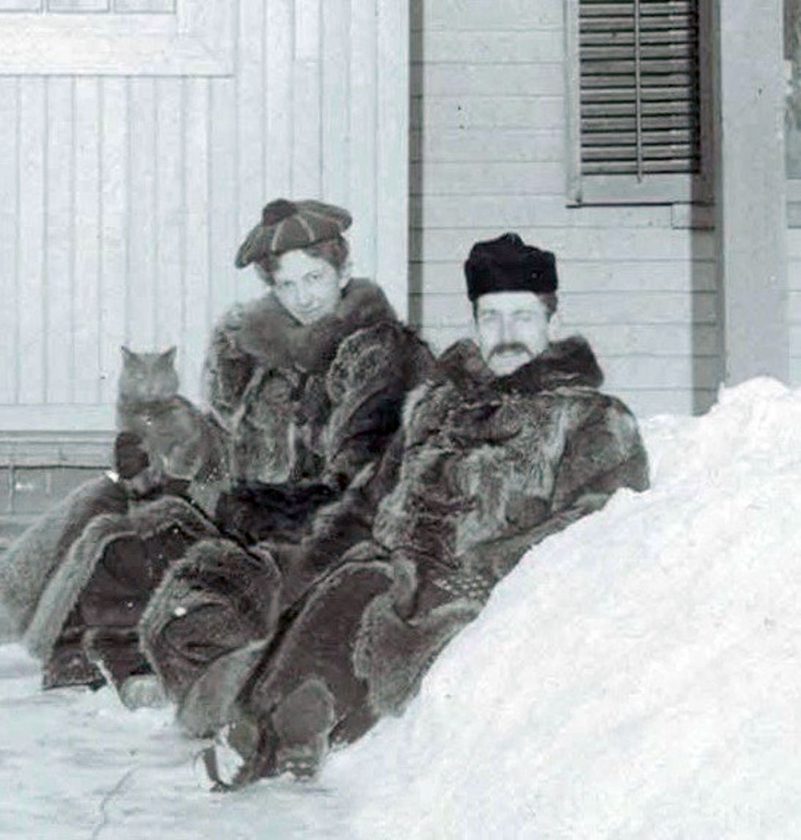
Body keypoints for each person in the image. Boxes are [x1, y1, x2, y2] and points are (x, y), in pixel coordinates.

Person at [140, 232, 650, 788]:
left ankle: (276, 731)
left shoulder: (593, 418)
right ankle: (282, 723)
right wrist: (309, 565)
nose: (506, 334)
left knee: (368, 596)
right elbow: (369, 499)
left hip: (474, 591)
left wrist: (483, 569)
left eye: (522, 317)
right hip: (385, 570)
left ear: (553, 319)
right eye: (491, 318)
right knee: (336, 586)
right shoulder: (436, 403)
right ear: (475, 323)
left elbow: (598, 526)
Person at [0, 198, 433, 697]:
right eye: (287, 284)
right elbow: (224, 450)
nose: (303, 297)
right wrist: (162, 452)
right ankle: (67, 640)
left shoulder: (380, 359)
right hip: (246, 513)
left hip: (317, 539)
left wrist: (231, 503)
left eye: (315, 278)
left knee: (132, 537)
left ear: (344, 271)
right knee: (107, 495)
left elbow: (356, 488)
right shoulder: (255, 351)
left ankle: (116, 655)